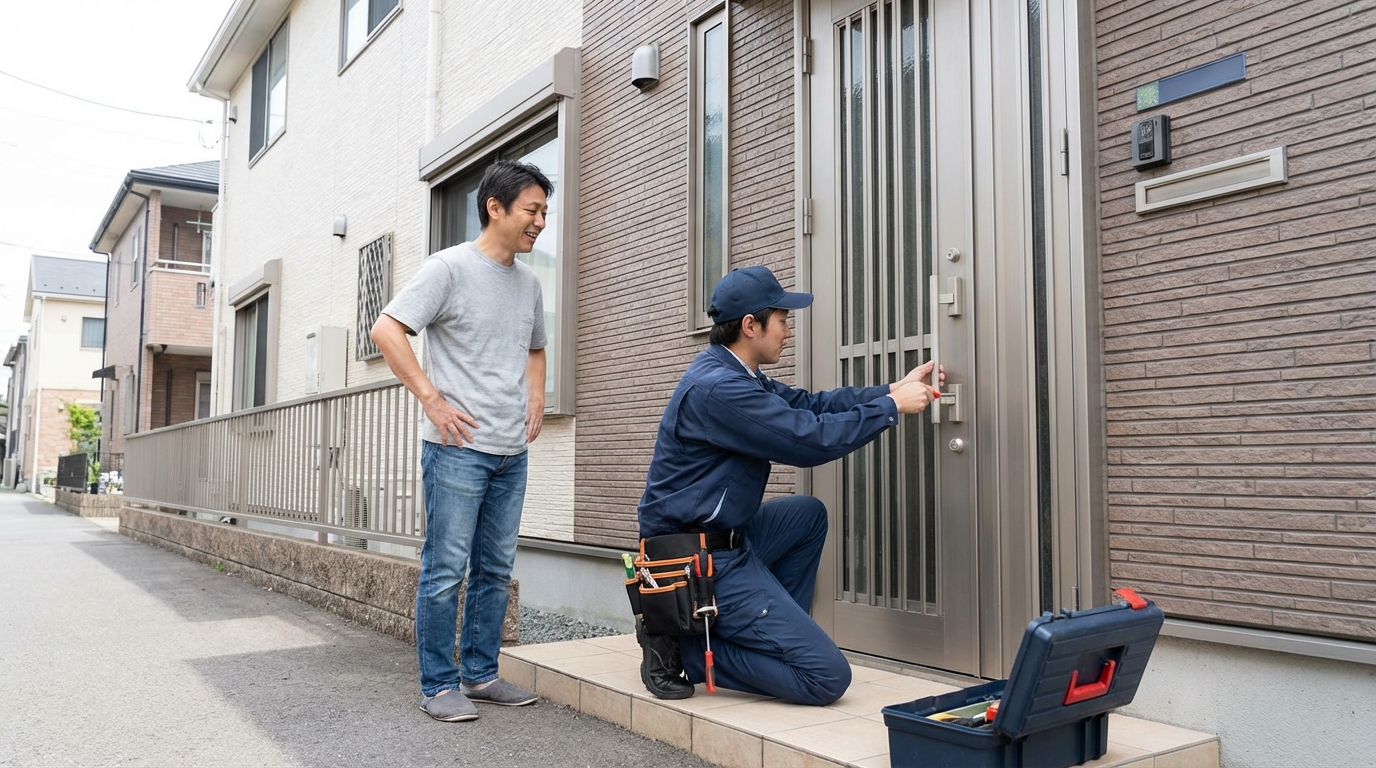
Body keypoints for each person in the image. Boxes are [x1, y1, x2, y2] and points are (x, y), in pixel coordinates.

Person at [634, 265, 941, 706]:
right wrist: (890, 409)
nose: (788, 331)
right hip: (695, 560)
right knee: (826, 676)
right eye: (782, 319)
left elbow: (810, 406)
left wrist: (890, 389)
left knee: (806, 515)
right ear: (750, 326)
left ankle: (763, 631)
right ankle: (691, 648)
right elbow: (807, 439)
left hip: (723, 542)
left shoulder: (736, 374)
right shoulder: (720, 389)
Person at [371, 160, 551, 723]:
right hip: (456, 449)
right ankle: (438, 683)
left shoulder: (529, 283)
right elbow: (387, 328)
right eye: (532, 210)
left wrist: (537, 396)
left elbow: (536, 347)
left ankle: (480, 674)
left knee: (495, 570)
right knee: (446, 568)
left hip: (509, 452)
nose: (540, 222)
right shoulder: (447, 269)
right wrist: (431, 399)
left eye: (545, 212)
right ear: (495, 208)